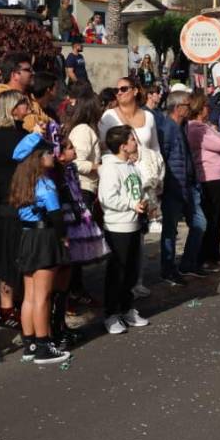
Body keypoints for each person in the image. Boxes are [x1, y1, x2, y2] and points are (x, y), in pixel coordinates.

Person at [8, 132, 72, 364]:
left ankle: (30, 343)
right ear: (37, 158)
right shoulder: (46, 184)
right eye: (47, 152)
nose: (52, 156)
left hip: (27, 237)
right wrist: (64, 237)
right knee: (43, 296)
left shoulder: (22, 182)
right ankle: (44, 345)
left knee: (30, 295)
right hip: (44, 238)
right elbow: (56, 215)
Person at [100, 76, 165, 280]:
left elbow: (155, 147)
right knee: (123, 233)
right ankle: (122, 289)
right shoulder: (108, 116)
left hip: (145, 176)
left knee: (141, 232)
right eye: (116, 90)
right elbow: (104, 147)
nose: (119, 93)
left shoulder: (149, 116)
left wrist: (158, 175)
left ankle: (137, 281)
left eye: (124, 89)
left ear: (136, 91)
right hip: (121, 175)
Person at [0, 89, 32, 324]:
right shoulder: (5, 136)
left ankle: (21, 301)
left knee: (20, 254)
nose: (27, 105)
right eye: (22, 102)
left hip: (22, 201)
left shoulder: (21, 131)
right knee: (8, 255)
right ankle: (6, 307)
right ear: (12, 108)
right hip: (7, 203)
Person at [99, 125, 152, 335]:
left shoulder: (130, 166)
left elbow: (137, 190)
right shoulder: (111, 168)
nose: (135, 143)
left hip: (134, 224)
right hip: (117, 227)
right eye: (131, 140)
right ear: (122, 146)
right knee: (117, 272)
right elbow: (107, 197)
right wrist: (131, 204)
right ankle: (111, 314)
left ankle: (127, 308)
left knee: (131, 270)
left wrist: (145, 204)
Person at [157, 90, 207, 283]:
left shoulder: (181, 126)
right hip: (174, 187)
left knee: (199, 223)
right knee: (170, 230)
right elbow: (164, 158)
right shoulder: (167, 128)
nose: (190, 108)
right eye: (187, 105)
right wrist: (168, 185)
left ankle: (187, 264)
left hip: (188, 186)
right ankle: (168, 269)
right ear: (178, 108)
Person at [187, 91, 220, 270]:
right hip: (209, 177)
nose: (209, 108)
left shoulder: (205, 126)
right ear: (200, 108)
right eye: (207, 105)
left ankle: (213, 252)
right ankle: (206, 255)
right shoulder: (195, 129)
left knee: (217, 217)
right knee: (211, 217)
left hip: (218, 176)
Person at [65, 92, 106, 306]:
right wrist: (97, 167)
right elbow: (76, 161)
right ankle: (74, 291)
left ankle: (77, 288)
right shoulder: (83, 131)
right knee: (78, 243)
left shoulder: (90, 130)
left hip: (89, 188)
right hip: (82, 188)